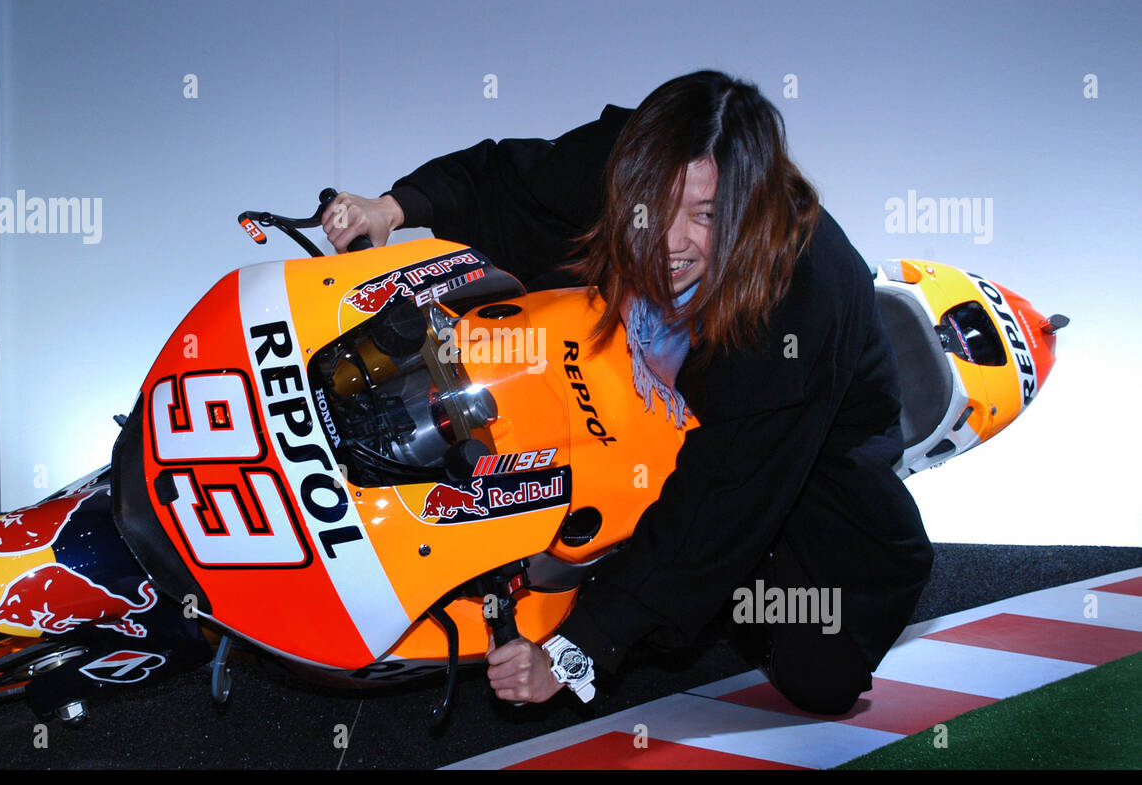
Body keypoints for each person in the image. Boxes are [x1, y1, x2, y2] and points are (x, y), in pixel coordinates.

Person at [322, 70, 933, 715]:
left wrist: (575, 650)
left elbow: (722, 502)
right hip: (649, 361)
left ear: (749, 211)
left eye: (706, 216)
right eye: (659, 207)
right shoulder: (637, 159)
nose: (671, 242)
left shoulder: (800, 301)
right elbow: (508, 181)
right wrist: (389, 208)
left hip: (796, 445)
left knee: (820, 670)